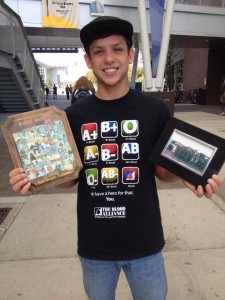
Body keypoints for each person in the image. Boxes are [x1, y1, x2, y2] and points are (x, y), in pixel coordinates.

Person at [8, 16, 222, 300]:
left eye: (117, 49)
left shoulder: (154, 111)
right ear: (88, 59)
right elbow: (70, 178)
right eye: (99, 51)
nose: (109, 59)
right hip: (96, 245)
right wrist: (34, 178)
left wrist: (185, 172)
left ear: (131, 55)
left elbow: (162, 172)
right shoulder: (71, 117)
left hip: (145, 242)